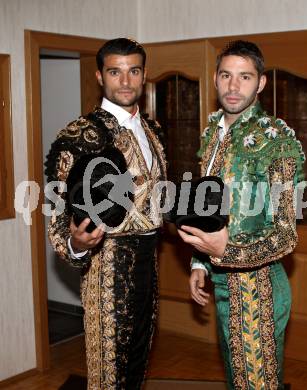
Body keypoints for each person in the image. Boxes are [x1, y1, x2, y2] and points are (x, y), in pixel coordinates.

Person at [177, 40, 305, 390]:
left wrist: (225, 252)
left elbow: (286, 235)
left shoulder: (275, 140)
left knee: (257, 384)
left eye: (245, 77)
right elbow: (209, 214)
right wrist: (201, 264)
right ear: (215, 79)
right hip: (222, 283)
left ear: (260, 83)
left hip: (258, 288)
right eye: (226, 76)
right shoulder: (213, 134)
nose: (234, 87)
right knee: (239, 381)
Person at [45, 38, 166, 390]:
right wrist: (77, 242)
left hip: (150, 261)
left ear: (144, 76)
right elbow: (58, 220)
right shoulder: (77, 137)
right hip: (106, 263)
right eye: (115, 72)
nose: (125, 81)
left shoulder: (154, 131)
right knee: (108, 372)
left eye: (133, 71)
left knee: (138, 363)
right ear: (100, 76)